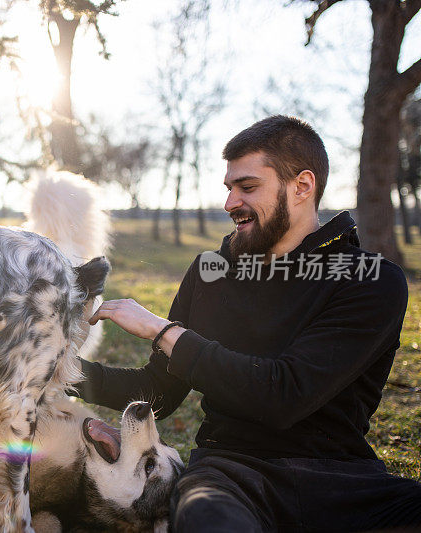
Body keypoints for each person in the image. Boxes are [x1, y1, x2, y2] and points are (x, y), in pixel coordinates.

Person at [79, 115, 421, 531]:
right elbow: (159, 392)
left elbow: (284, 395)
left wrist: (164, 331)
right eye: (229, 188)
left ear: (302, 186)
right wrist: (59, 370)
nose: (230, 203)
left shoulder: (370, 280)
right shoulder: (210, 272)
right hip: (228, 475)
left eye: (248, 187)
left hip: (343, 480)